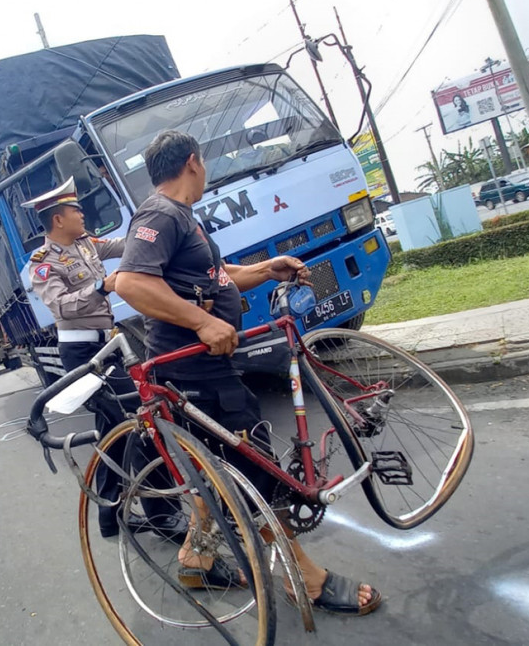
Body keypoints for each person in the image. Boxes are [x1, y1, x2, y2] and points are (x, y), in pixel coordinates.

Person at [115, 130, 381, 615]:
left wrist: (266, 268)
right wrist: (201, 320)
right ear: (193, 162)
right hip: (193, 373)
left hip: (207, 367)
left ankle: (196, 557)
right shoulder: (159, 214)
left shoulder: (183, 218)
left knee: (216, 470)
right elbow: (131, 282)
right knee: (252, 471)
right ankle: (308, 578)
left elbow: (217, 276)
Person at [26, 177, 186, 541]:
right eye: (75, 209)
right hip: (82, 354)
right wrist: (101, 286)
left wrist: (160, 228)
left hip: (107, 346)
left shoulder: (86, 243)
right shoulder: (42, 264)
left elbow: (125, 243)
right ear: (57, 220)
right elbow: (61, 305)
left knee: (114, 431)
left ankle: (108, 516)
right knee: (137, 423)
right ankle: (164, 516)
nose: (82, 213)